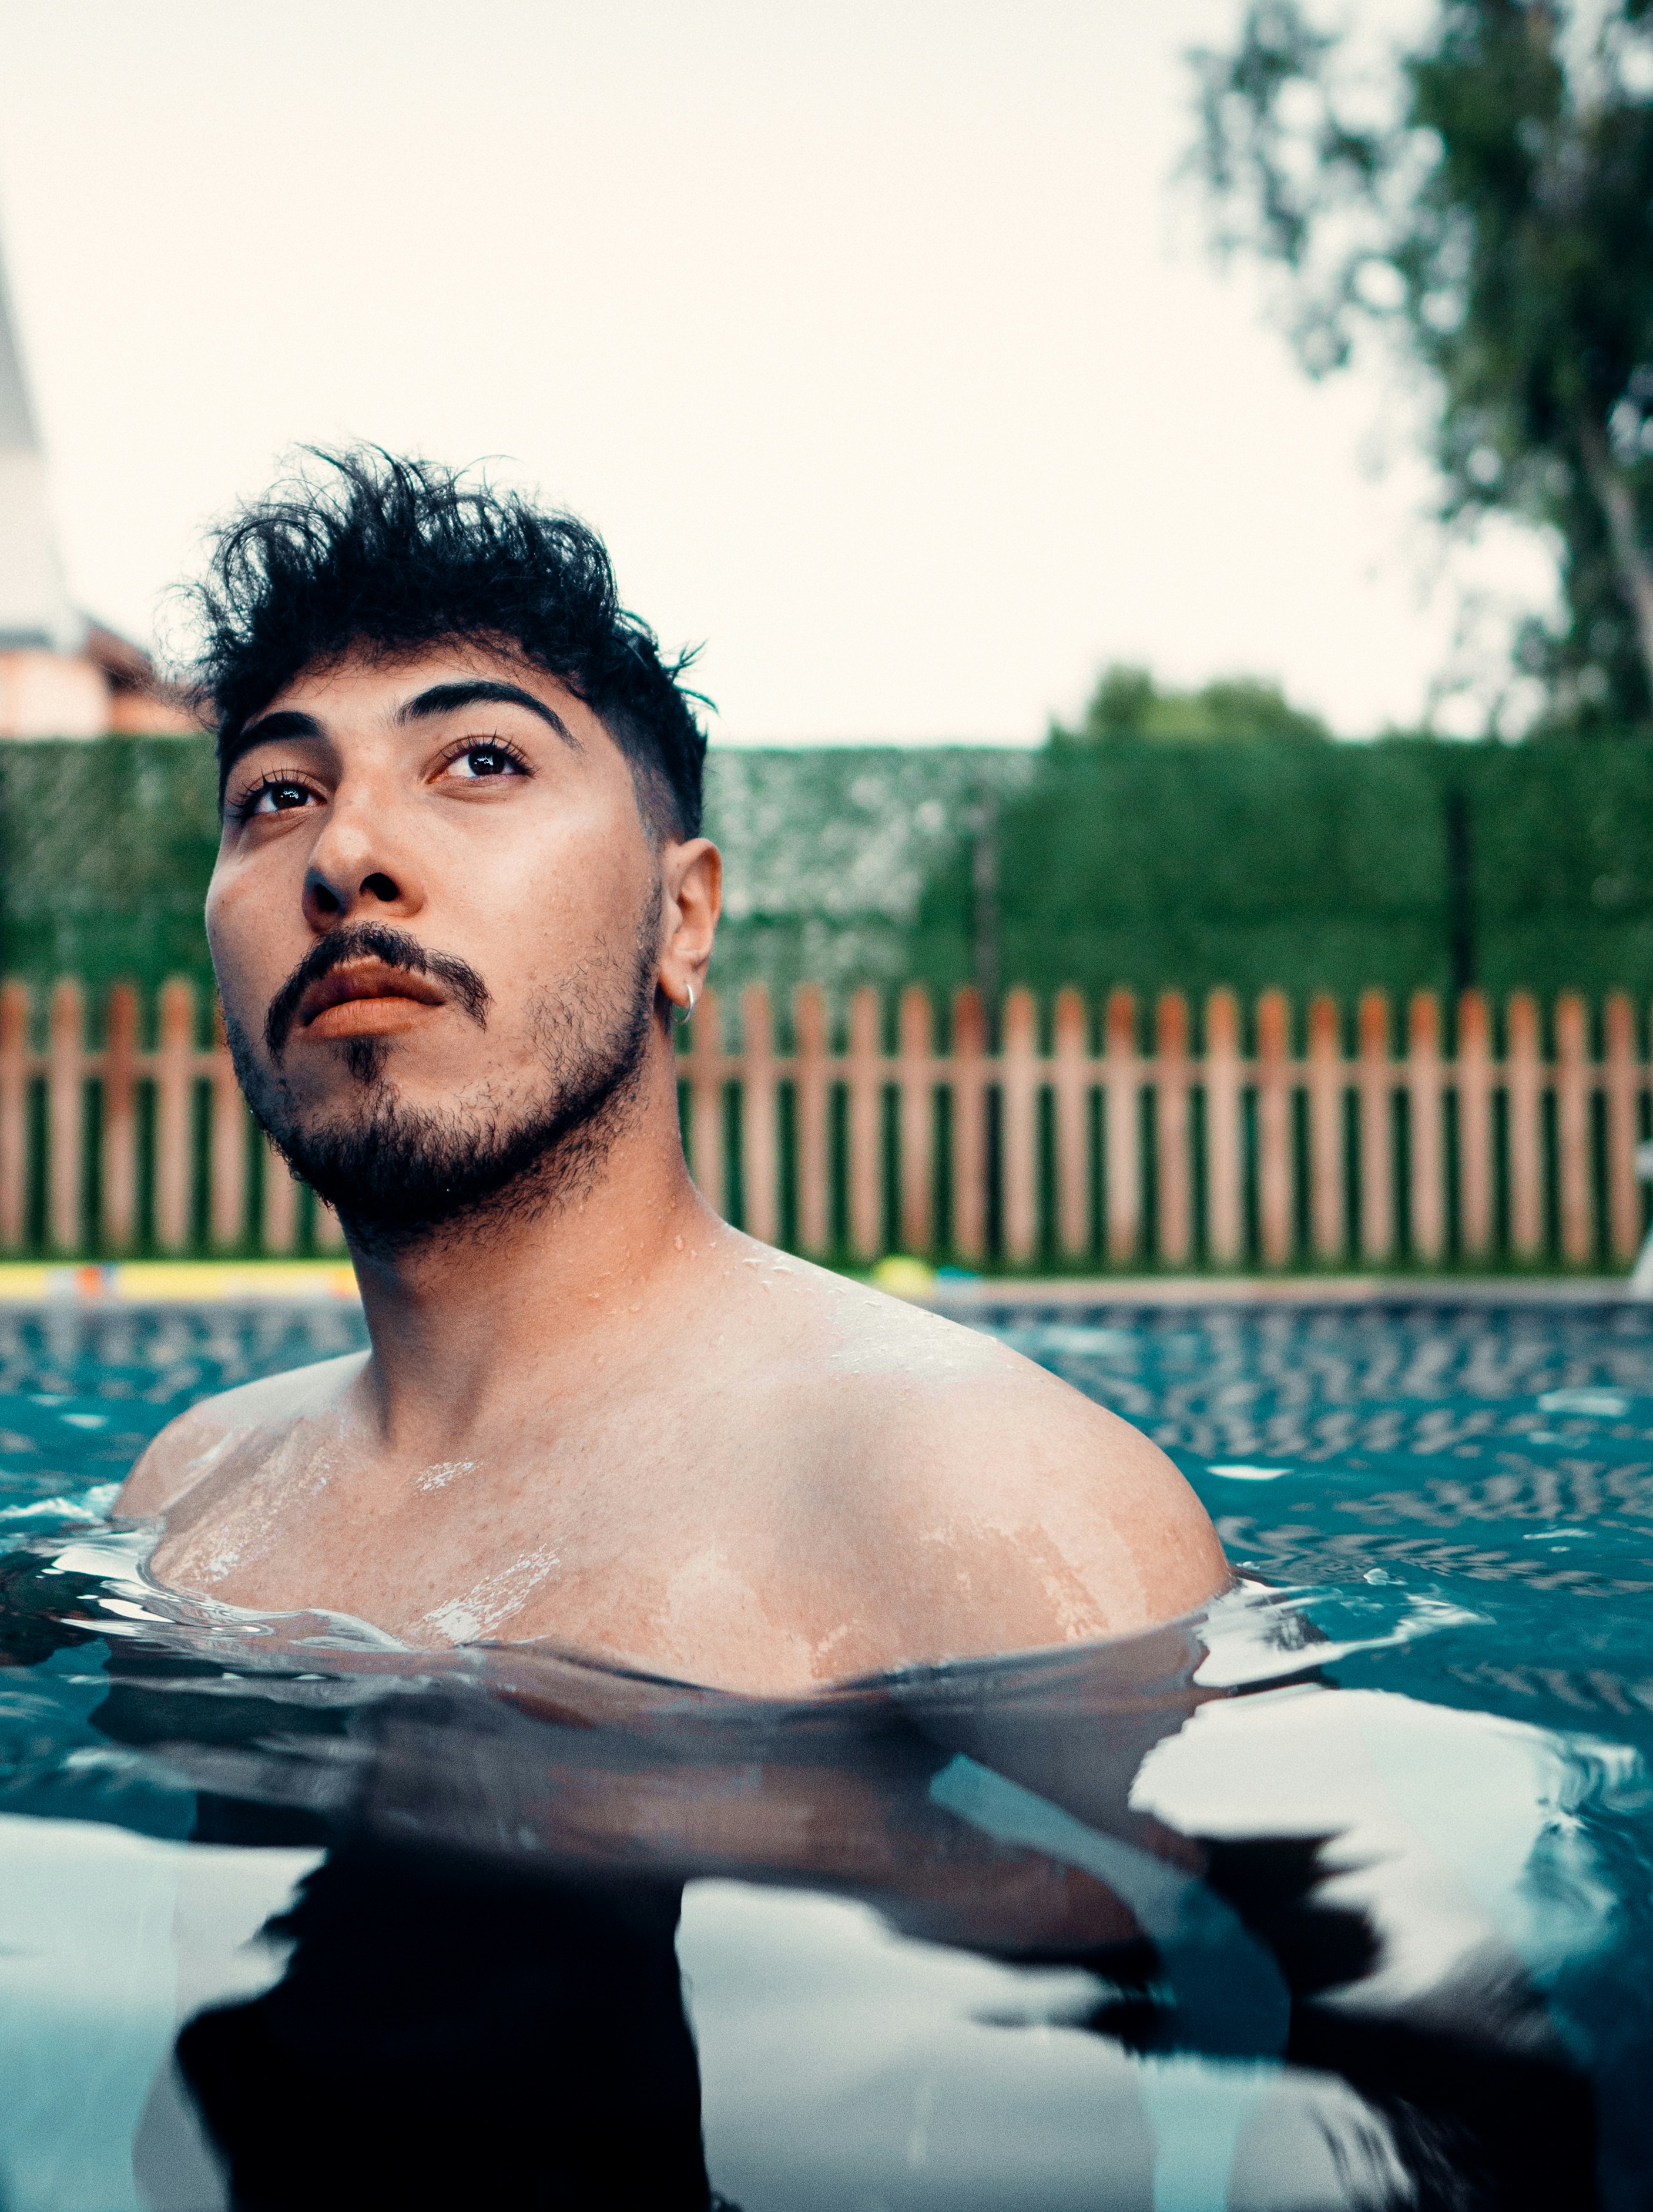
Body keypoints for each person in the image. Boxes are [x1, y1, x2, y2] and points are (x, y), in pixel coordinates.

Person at [119, 451, 1225, 1691]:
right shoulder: (192, 1490)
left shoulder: (978, 1495)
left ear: (682, 918)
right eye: (278, 792)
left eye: (481, 761)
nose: (348, 852)